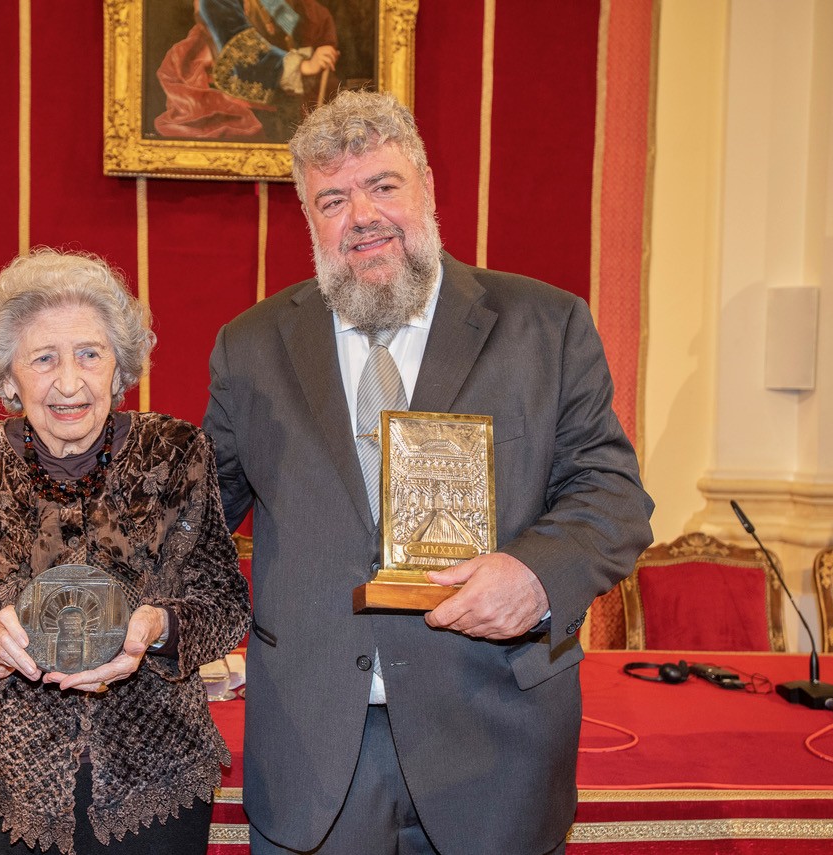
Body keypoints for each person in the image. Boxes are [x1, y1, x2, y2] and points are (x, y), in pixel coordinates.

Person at [203, 90, 654, 855]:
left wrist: (535, 575)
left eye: (383, 185)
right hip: (315, 756)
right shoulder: (251, 346)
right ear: (310, 220)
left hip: (494, 740)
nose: (363, 216)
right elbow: (198, 514)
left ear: (428, 189)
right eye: (333, 199)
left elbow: (612, 497)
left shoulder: (547, 326)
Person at [0, 248, 251, 854]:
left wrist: (159, 628)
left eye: (89, 354)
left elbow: (224, 602)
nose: (69, 382)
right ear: (8, 376)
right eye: (43, 359)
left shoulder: (177, 454)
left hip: (153, 780)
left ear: (118, 367)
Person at [155, 0, 339, 141]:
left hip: (275, 89)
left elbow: (293, 27)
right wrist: (303, 66)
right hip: (217, 88)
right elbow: (238, 51)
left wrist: (316, 49)